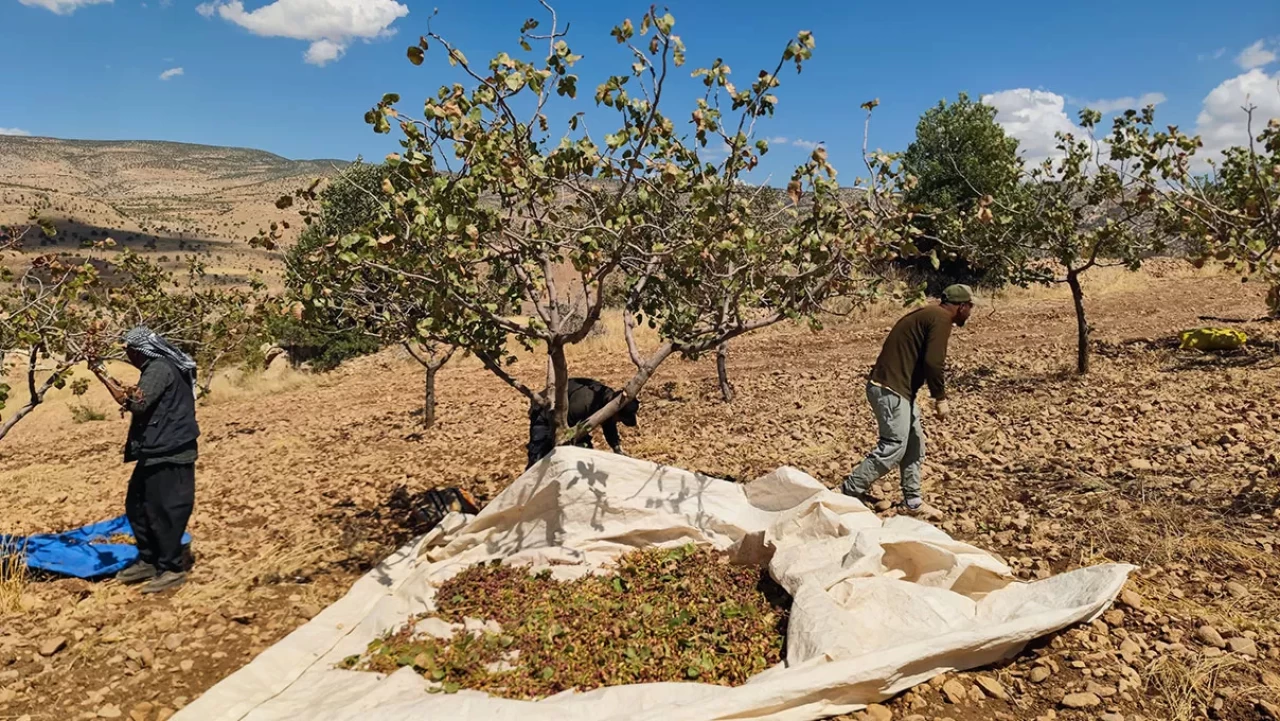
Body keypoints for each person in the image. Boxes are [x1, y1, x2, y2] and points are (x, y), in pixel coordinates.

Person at [841, 284, 974, 520]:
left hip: (899, 390)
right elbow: (934, 363)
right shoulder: (941, 319)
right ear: (961, 306)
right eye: (970, 307)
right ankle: (847, 491)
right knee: (895, 446)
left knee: (914, 447)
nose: (971, 312)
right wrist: (940, 397)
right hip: (890, 389)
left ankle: (912, 502)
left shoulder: (929, 315)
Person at [94, 325, 200, 594]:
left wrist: (100, 375)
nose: (129, 356)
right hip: (158, 448)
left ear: (139, 351)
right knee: (138, 505)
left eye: (129, 351)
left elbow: (138, 403)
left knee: (165, 510)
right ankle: (150, 560)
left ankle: (171, 568)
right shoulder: (158, 368)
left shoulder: (158, 369)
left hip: (170, 450)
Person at [526, 377, 641, 469]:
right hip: (545, 412)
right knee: (539, 457)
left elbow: (608, 423)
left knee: (584, 456)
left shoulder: (610, 400)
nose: (618, 421)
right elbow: (566, 430)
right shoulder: (585, 403)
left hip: (573, 418)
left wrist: (617, 448)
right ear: (616, 412)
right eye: (620, 419)